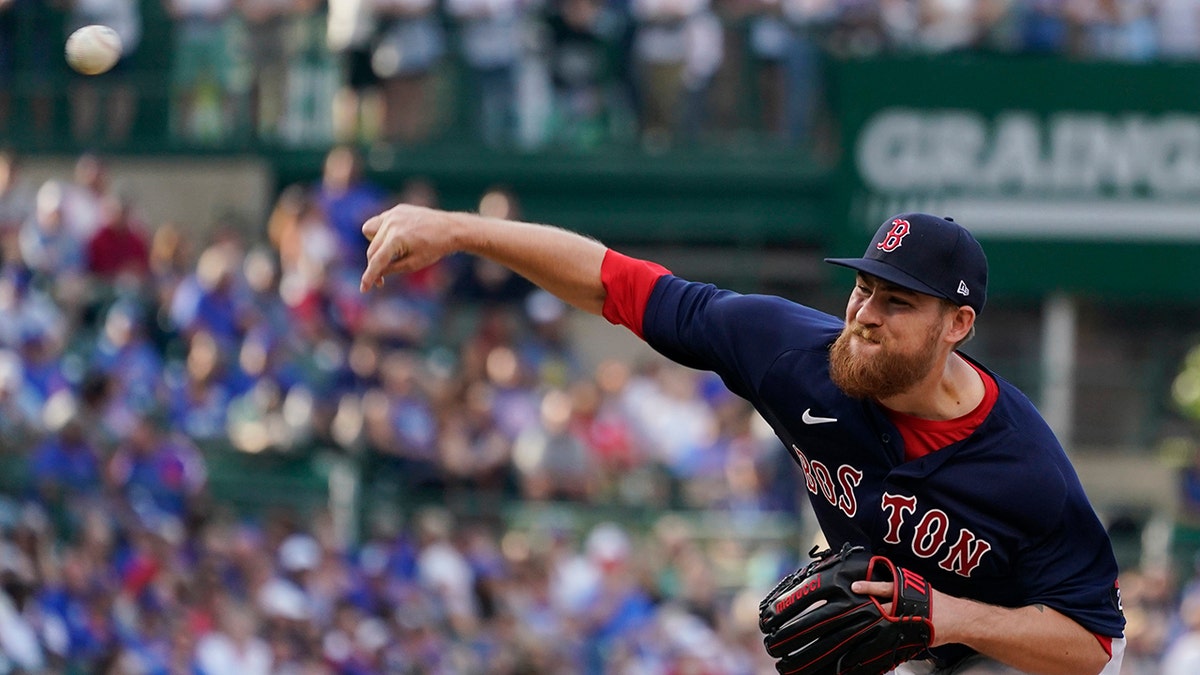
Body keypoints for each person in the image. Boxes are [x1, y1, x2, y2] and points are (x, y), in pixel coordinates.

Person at [359, 205, 1127, 675]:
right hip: (909, 645)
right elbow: (616, 284)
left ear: (957, 326)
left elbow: (1092, 641)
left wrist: (949, 615)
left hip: (1017, 653)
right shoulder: (791, 354)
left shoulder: (1025, 466)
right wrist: (459, 231)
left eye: (897, 302)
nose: (864, 312)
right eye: (863, 286)